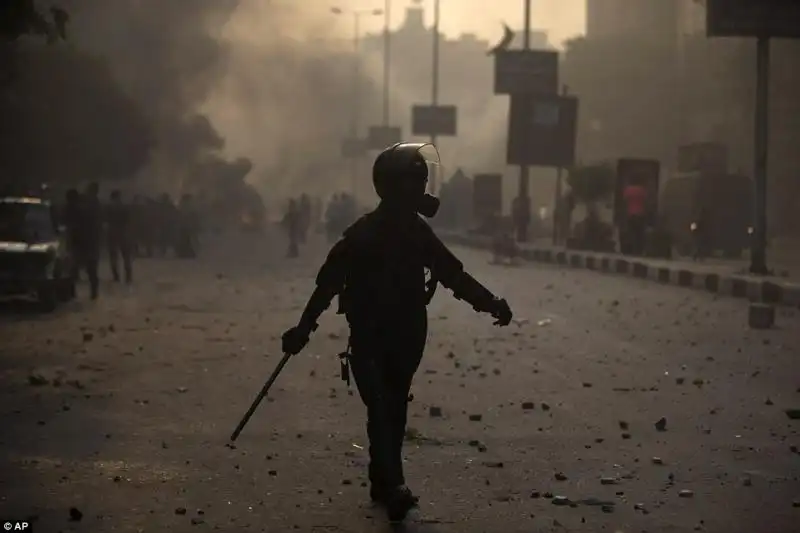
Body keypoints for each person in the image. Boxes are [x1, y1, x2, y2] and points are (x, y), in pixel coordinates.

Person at [280, 143, 513, 523]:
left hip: (407, 332)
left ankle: (382, 478)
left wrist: (491, 304)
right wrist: (303, 328)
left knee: (392, 405)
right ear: (392, 187)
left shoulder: (417, 234)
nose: (420, 191)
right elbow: (328, 285)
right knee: (384, 407)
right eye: (413, 184)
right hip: (370, 333)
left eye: (420, 183)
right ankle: (395, 484)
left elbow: (454, 276)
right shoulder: (362, 235)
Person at [74, 182, 102, 299]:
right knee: (91, 268)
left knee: (87, 267)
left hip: (86, 240)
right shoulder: (95, 204)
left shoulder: (89, 205)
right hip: (89, 240)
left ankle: (90, 292)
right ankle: (93, 292)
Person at [106, 190, 133, 283]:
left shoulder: (109, 207)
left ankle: (116, 276)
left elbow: (106, 220)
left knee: (113, 256)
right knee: (126, 256)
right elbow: (129, 220)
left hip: (112, 232)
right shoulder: (124, 207)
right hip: (123, 232)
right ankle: (128, 276)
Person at [622, 176, 649, 255]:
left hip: (631, 214)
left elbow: (625, 202)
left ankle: (631, 250)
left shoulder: (628, 190)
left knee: (631, 232)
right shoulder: (642, 190)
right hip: (640, 214)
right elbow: (646, 202)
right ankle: (639, 250)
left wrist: (624, 213)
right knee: (640, 233)